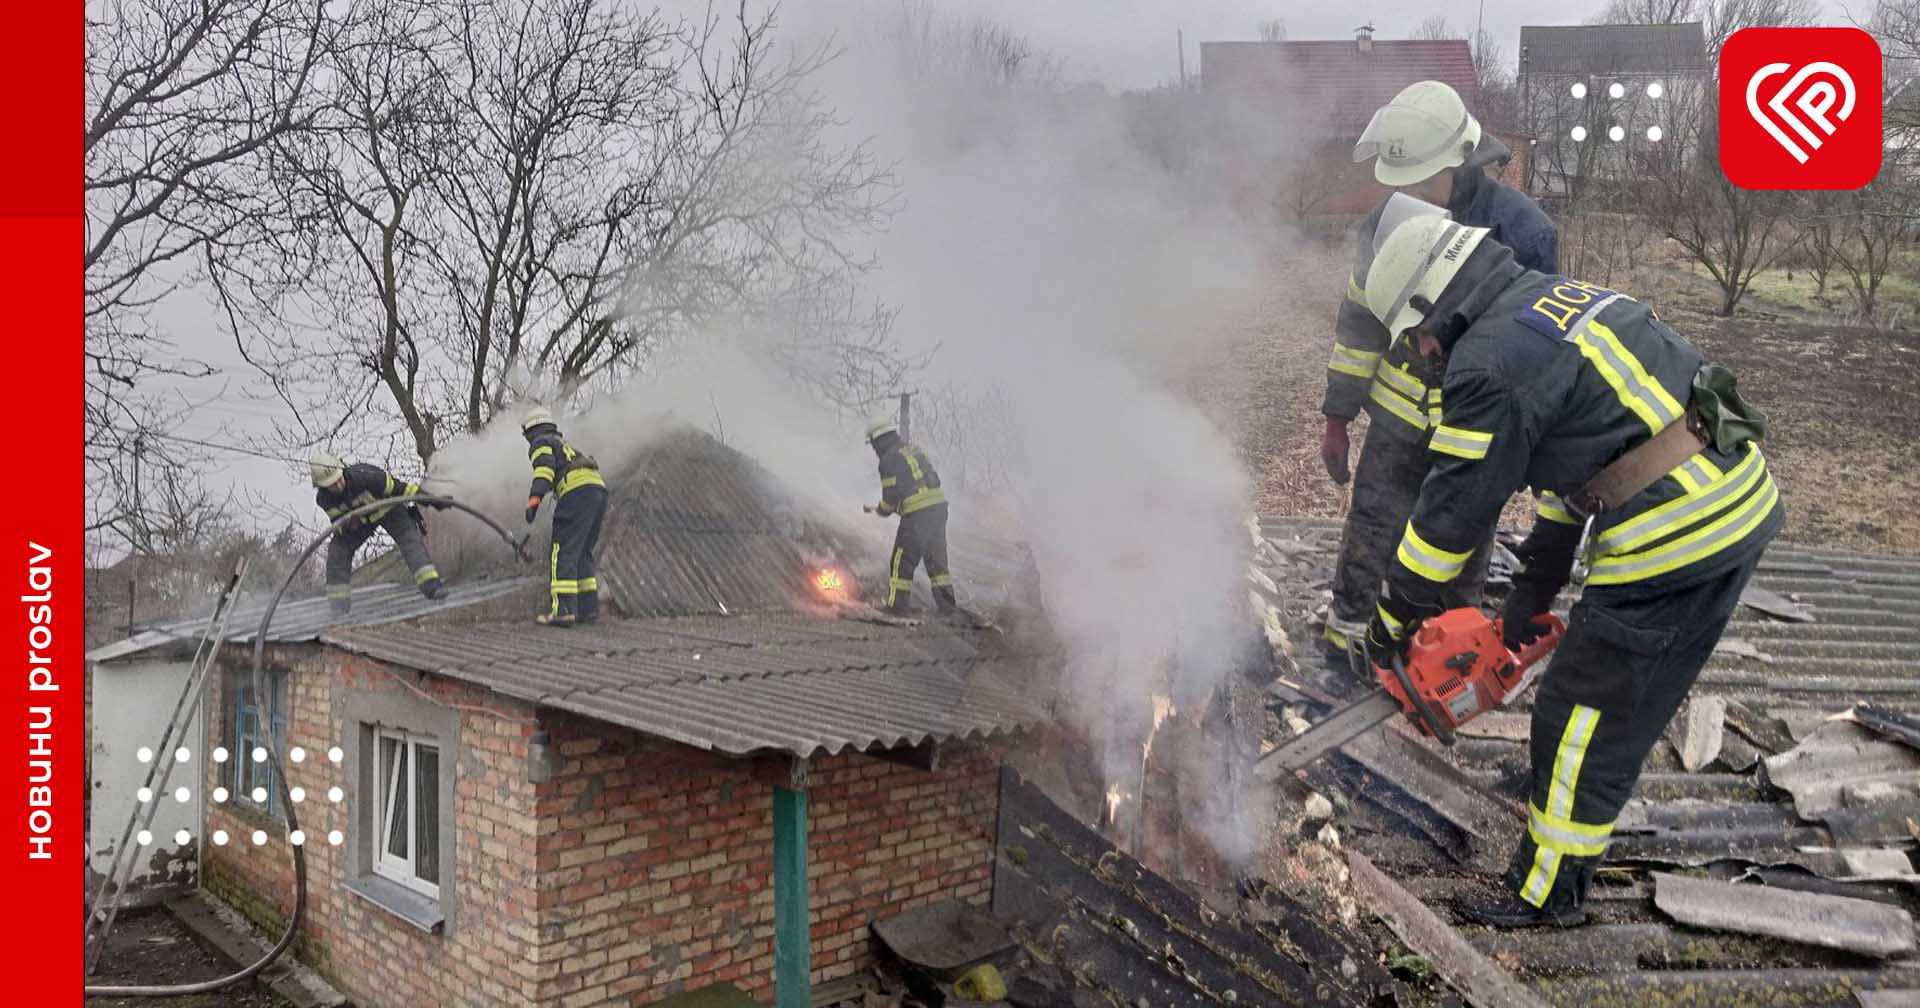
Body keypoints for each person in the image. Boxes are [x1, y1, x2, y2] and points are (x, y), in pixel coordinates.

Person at [1358, 203, 1783, 927]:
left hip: (1680, 530)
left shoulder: (1486, 366)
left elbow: (1448, 520)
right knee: (1597, 701)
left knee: (1580, 710)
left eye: (1417, 336)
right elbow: (1578, 470)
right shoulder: (1541, 304)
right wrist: (1532, 591)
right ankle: (1562, 787)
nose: (1422, 353)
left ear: (1434, 304)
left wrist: (1393, 618)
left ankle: (1547, 891)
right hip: (1728, 497)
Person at [1319, 80, 1561, 672]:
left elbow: (1534, 353)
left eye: (1421, 181)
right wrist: (1337, 417)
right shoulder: (1382, 225)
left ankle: (1442, 661)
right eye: (1399, 184)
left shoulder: (1524, 234)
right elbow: (1360, 325)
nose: (1408, 196)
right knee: (1373, 525)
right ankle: (1347, 639)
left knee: (1462, 539)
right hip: (1398, 419)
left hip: (1475, 429)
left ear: (1463, 161)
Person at [311, 451, 447, 616]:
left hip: (389, 510)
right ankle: (338, 607)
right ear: (322, 487)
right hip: (360, 523)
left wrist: (430, 499)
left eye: (339, 479)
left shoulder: (367, 476)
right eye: (332, 485)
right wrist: (346, 526)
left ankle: (432, 586)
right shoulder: (324, 500)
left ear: (343, 470)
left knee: (409, 540)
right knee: (338, 551)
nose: (338, 486)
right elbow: (337, 523)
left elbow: (401, 489)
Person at [522, 406, 608, 627]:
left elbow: (544, 470)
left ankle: (563, 611)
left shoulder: (540, 442)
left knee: (561, 551)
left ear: (531, 431)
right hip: (597, 490)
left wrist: (534, 501)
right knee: (582, 553)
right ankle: (589, 610)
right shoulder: (563, 444)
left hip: (576, 493)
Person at [863, 419, 957, 616]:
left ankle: (897, 607)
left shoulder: (888, 459)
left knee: (902, 559)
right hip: (939, 508)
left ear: (878, 440)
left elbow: (889, 500)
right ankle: (948, 608)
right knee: (936, 562)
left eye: (872, 444)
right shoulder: (912, 449)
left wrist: (881, 510)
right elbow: (933, 478)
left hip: (918, 512)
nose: (873, 449)